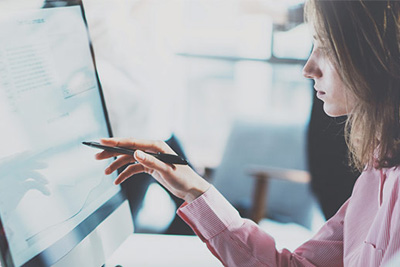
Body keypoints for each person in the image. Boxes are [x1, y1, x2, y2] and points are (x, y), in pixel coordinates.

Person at [94, 0, 400, 266]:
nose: (307, 69)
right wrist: (196, 191)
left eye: (325, 46)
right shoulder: (376, 175)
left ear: (373, 53)